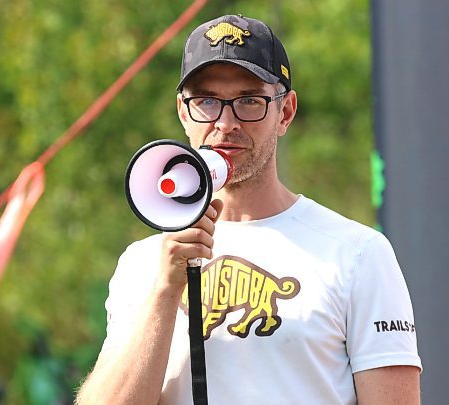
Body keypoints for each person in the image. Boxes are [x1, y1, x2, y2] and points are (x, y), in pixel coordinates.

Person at [76, 14, 422, 404]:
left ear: (285, 112)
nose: (226, 123)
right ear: (182, 111)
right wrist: (165, 291)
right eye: (206, 101)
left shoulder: (357, 253)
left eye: (248, 101)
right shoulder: (142, 264)